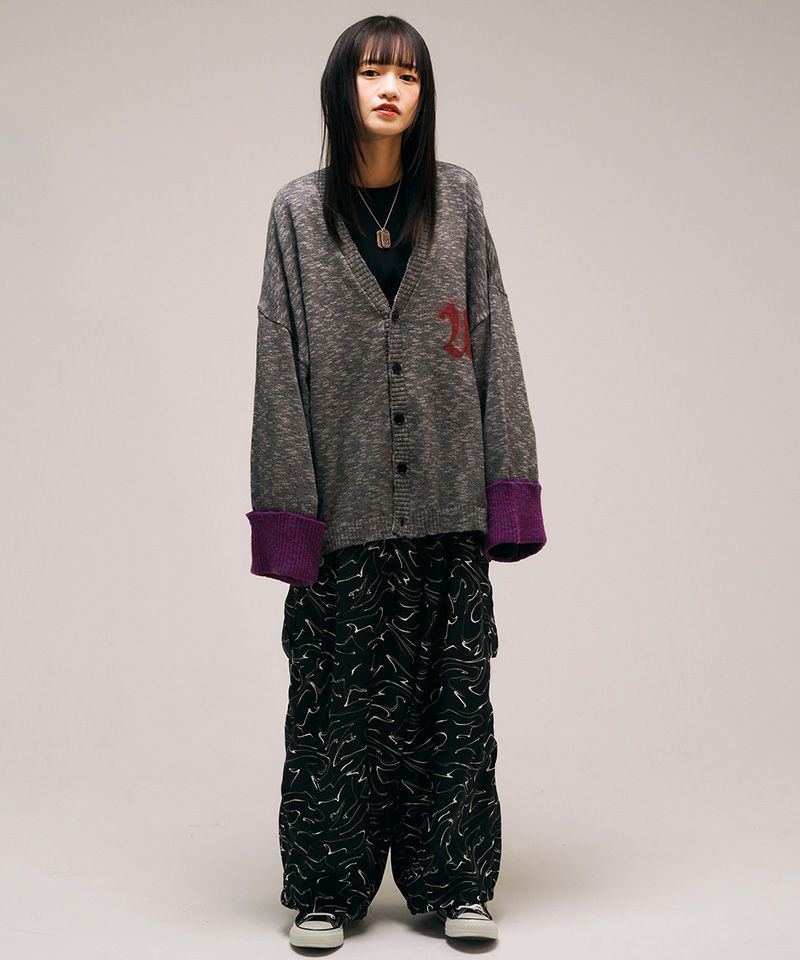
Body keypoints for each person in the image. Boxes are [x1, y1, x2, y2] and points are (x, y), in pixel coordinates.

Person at [245, 15, 547, 949]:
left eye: (407, 76)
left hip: (449, 500)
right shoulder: (297, 214)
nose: (389, 89)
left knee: (453, 701)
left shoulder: (459, 200)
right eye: (372, 72)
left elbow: (493, 337)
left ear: (424, 95)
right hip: (344, 510)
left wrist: (510, 486)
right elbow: (279, 366)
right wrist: (291, 514)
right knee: (334, 706)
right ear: (342, 89)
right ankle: (326, 891)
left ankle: (456, 884)